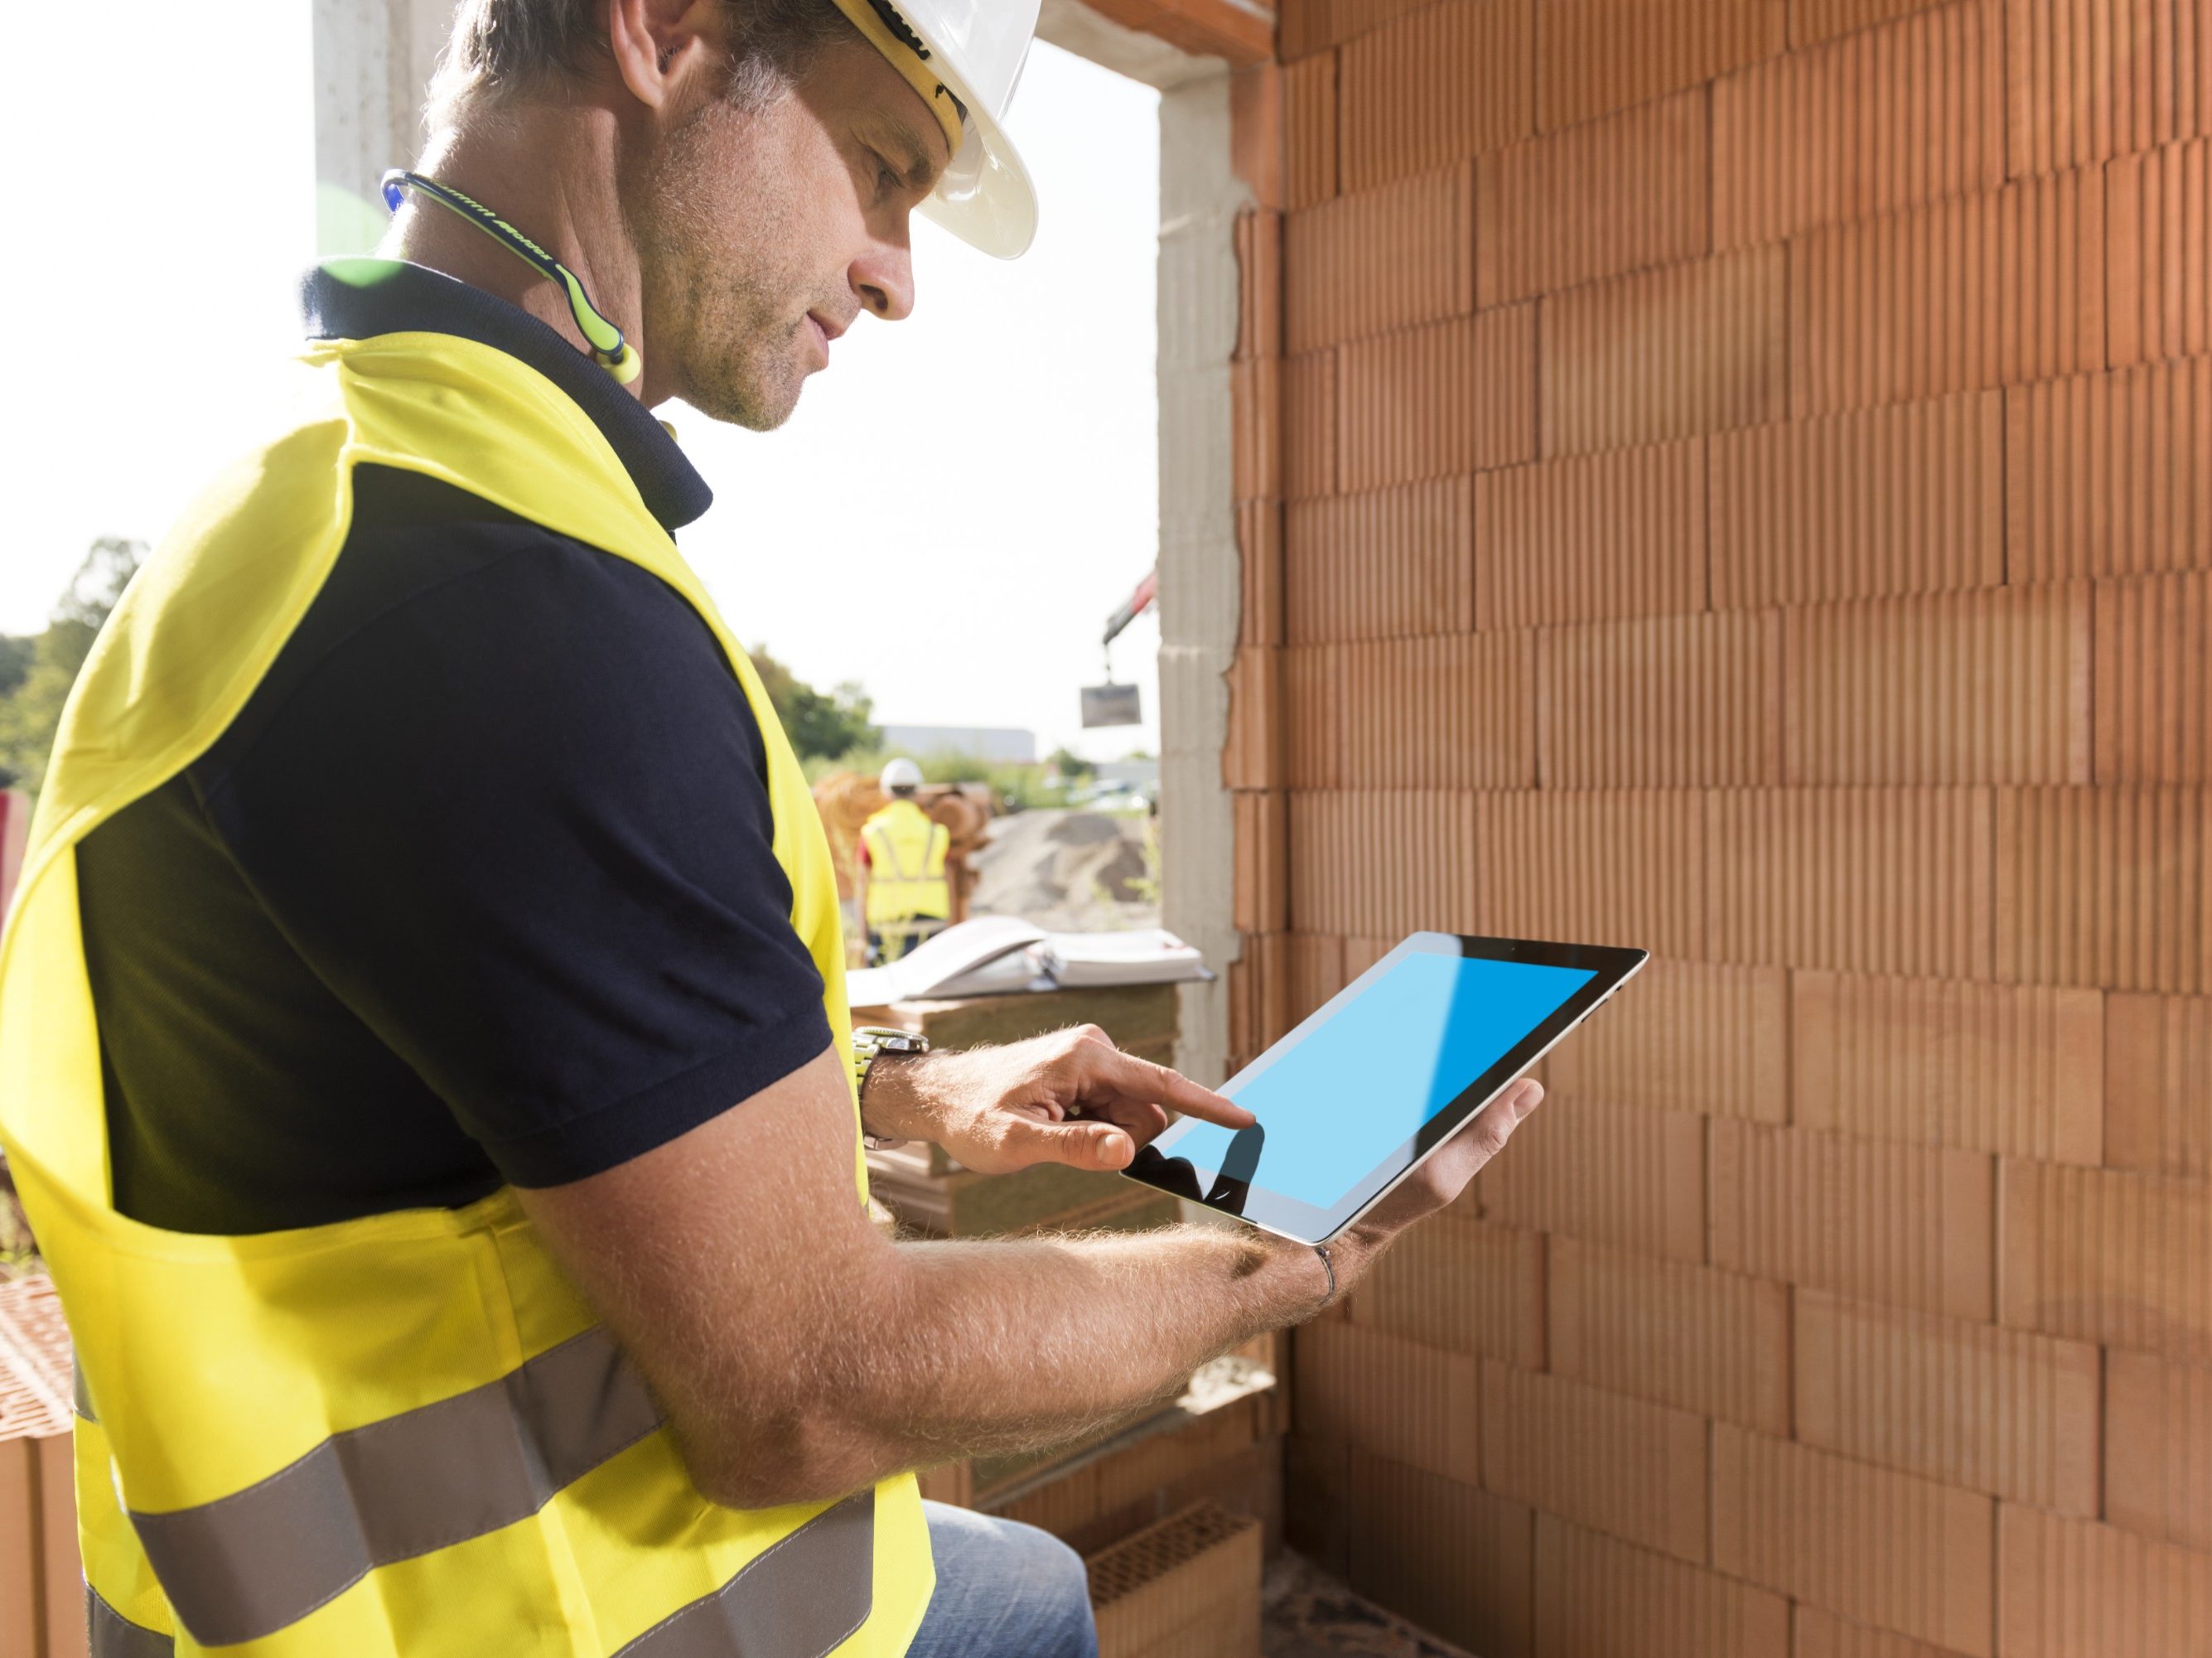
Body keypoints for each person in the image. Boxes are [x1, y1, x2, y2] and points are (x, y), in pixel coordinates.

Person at [0, 2, 1547, 1652]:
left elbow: (490, 1057)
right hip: (545, 1618)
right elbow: (809, 1389)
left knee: (1023, 1591)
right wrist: (1307, 1247)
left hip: (330, 1591)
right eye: (882, 166)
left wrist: (905, 1093)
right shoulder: (502, 602)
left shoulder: (335, 498)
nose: (895, 272)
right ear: (662, 28)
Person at [858, 757, 951, 963]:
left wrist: (862, 937)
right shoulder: (938, 833)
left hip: (886, 927)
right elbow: (949, 880)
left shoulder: (872, 833)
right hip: (932, 925)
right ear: (916, 791)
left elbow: (862, 886)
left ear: (886, 791)